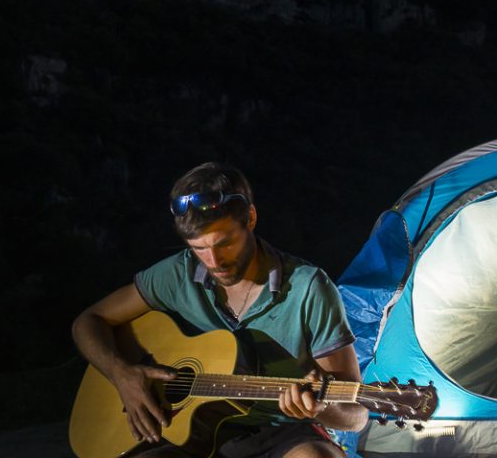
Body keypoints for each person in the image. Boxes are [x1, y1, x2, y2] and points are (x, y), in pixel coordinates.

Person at [71, 162, 365, 458]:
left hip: (283, 433)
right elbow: (89, 321)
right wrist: (121, 374)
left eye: (224, 243)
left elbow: (356, 415)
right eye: (199, 248)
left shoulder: (308, 288)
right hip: (194, 436)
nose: (213, 261)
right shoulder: (177, 274)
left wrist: (322, 408)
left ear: (250, 218)